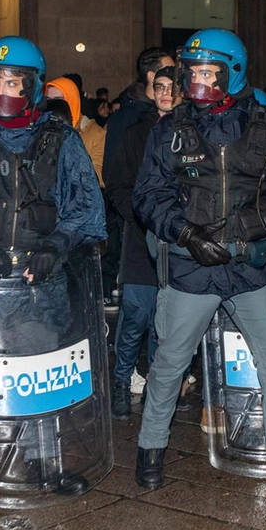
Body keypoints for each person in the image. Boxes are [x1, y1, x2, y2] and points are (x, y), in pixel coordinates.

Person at [132, 28, 266, 510]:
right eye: (192, 72)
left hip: (253, 270)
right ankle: (150, 449)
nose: (198, 82)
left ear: (232, 73)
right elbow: (149, 197)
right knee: (169, 363)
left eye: (209, 72)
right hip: (194, 268)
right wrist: (186, 234)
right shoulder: (169, 131)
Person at [0, 36, 106, 516]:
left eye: (13, 80)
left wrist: (58, 245)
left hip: (38, 281)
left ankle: (43, 462)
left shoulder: (61, 139)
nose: (3, 88)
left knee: (37, 377)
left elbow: (86, 206)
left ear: (32, 86)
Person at [104, 61, 177, 417]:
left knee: (170, 322)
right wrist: (137, 215)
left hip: (181, 242)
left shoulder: (195, 132)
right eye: (159, 87)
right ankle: (121, 382)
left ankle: (159, 389)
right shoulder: (136, 133)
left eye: (172, 87)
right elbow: (116, 181)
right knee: (135, 314)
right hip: (141, 238)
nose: (165, 93)